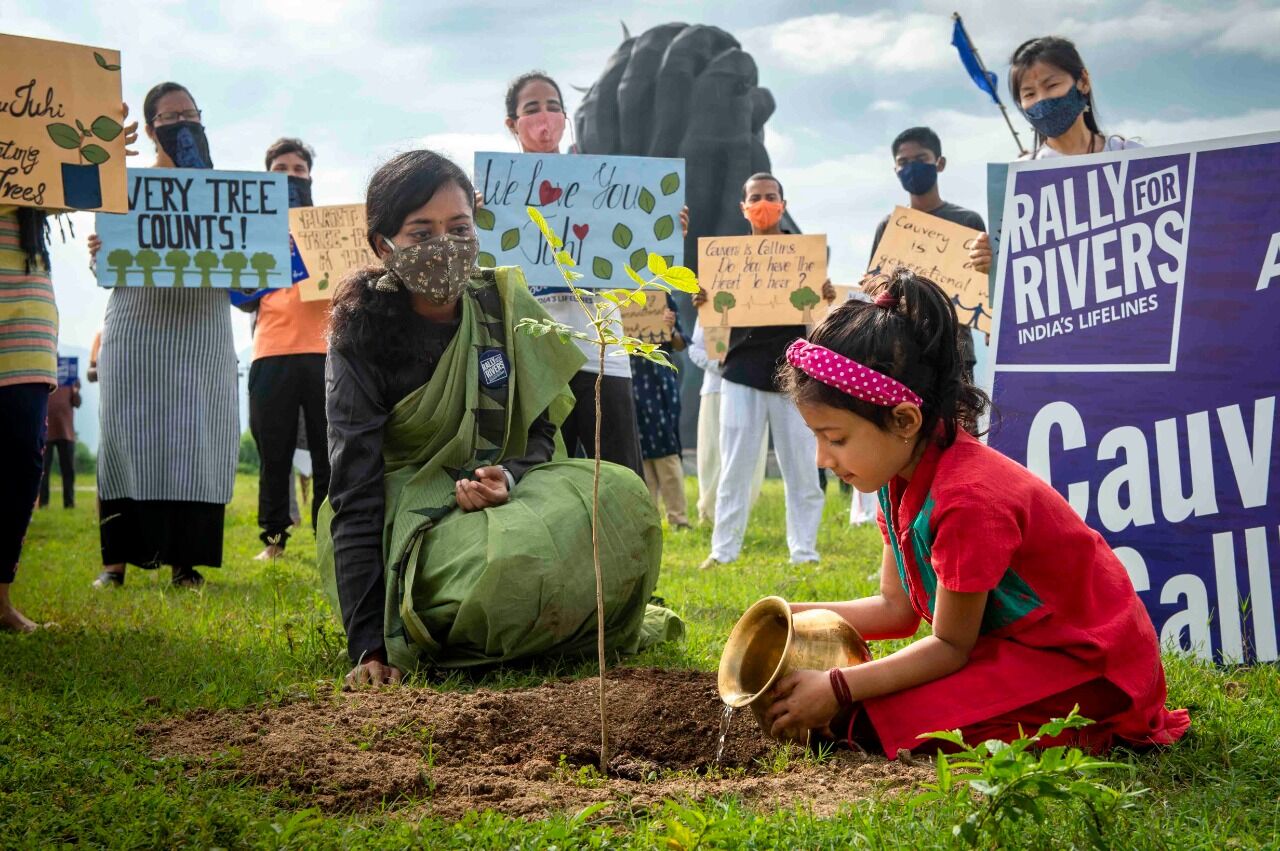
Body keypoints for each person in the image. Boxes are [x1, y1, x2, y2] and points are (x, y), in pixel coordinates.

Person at [762, 268, 1190, 755]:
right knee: (869, 714)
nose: (822, 459)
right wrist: (784, 620)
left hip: (1085, 663)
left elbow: (950, 646)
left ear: (904, 420)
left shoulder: (969, 499)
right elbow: (896, 611)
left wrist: (838, 686)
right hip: (1010, 651)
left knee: (871, 725)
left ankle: (1097, 727)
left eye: (834, 438)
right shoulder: (895, 480)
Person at [318, 150, 681, 687]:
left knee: (621, 493)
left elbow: (539, 430)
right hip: (410, 516)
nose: (445, 245)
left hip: (505, 494)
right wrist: (370, 644)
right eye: (422, 234)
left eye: (458, 227)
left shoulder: (503, 304)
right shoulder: (359, 338)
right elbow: (356, 487)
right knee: (501, 568)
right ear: (383, 246)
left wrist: (507, 474)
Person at [89, 82, 237, 589]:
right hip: (139, 330)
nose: (182, 124)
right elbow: (105, 271)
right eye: (171, 117)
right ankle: (116, 563)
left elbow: (248, 276)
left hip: (203, 330)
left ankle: (185, 561)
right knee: (125, 438)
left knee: (196, 437)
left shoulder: (227, 193)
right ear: (151, 128)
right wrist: (99, 250)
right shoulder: (122, 188)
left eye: (190, 114)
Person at [1, 105, 136, 628]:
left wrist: (95, 155)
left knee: (19, 460)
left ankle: (1, 599)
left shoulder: (27, 153)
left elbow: (63, 189)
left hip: (26, 311)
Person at [495, 71, 647, 477]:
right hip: (536, 352)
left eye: (552, 106)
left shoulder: (604, 183)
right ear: (512, 124)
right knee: (538, 469)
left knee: (617, 471)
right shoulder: (495, 192)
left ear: (565, 116)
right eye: (531, 109)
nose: (544, 116)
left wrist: (661, 224)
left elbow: (634, 250)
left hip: (602, 347)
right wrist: (479, 218)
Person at [696, 173, 832, 570]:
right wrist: (702, 301)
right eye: (755, 197)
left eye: (770, 197)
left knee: (803, 467)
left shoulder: (803, 257)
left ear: (783, 204)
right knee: (735, 466)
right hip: (740, 372)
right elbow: (712, 322)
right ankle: (723, 550)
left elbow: (819, 319)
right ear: (743, 207)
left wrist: (825, 297)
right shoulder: (726, 261)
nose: (763, 203)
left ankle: (804, 551)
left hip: (794, 372)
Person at [969, 36, 1141, 274]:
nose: (1042, 100)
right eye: (1029, 94)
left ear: (1083, 81)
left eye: (1051, 86)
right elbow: (1017, 272)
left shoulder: (1130, 156)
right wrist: (991, 261)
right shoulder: (1017, 179)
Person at [240, 137, 331, 560]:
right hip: (270, 352)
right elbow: (239, 295)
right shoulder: (252, 230)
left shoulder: (333, 229)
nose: (290, 175)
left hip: (326, 351)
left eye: (298, 169)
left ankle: (331, 536)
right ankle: (274, 542)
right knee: (273, 454)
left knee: (329, 451)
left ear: (310, 176)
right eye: (280, 169)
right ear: (267, 177)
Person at [869, 127, 985, 378]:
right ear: (895, 170)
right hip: (901, 352)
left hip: (955, 351)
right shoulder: (888, 226)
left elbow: (985, 286)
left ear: (939, 163)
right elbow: (876, 285)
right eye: (903, 162)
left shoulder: (968, 221)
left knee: (958, 418)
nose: (911, 167)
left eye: (920, 160)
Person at [687, 319, 767, 526]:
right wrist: (726, 366)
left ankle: (738, 517)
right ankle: (709, 515)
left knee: (749, 456)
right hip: (715, 389)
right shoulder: (712, 301)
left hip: (755, 390)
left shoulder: (765, 300)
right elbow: (695, 348)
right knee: (713, 455)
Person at [630, 296, 690, 529]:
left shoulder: (661, 296)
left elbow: (681, 343)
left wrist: (670, 327)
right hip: (628, 377)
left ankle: (678, 517)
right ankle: (649, 517)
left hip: (659, 381)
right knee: (640, 449)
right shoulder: (614, 294)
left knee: (666, 447)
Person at [39, 372, 80, 509]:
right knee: (43, 470)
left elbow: (77, 403)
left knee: (68, 470)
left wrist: (76, 391)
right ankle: (43, 503)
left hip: (66, 431)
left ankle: (69, 503)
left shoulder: (71, 379)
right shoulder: (44, 377)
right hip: (46, 430)